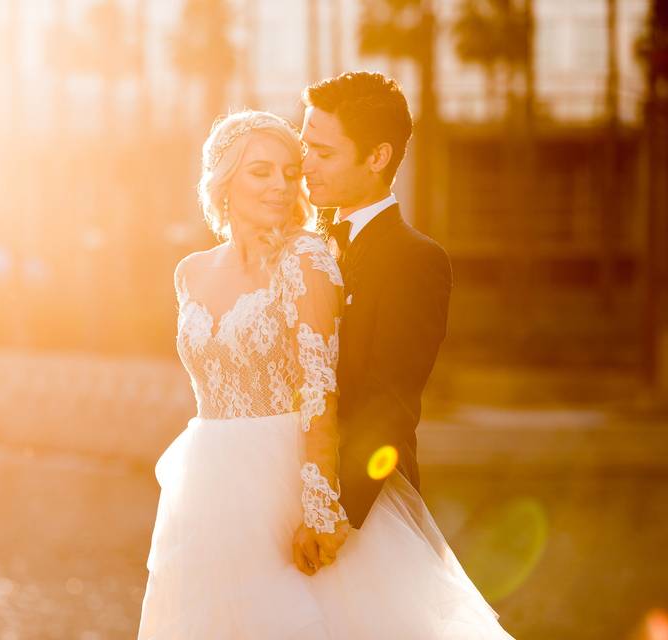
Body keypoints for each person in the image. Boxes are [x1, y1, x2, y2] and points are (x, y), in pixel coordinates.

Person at [138, 100, 513, 637]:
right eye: (261, 171)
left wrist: (319, 509)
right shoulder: (190, 273)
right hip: (208, 485)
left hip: (285, 478)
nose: (280, 186)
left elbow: (319, 387)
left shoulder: (306, 259)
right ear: (223, 180)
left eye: (292, 173)